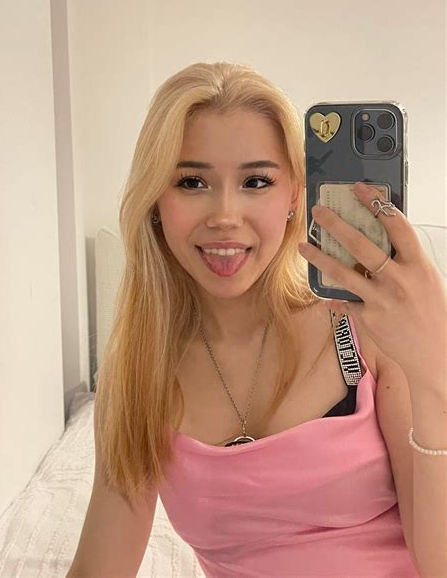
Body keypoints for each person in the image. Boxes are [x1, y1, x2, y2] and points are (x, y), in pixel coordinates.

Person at [67, 62, 444, 578]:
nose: (225, 215)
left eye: (256, 181)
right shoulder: (138, 376)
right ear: (155, 199)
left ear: (294, 195)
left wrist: (434, 369)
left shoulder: (365, 331)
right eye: (192, 181)